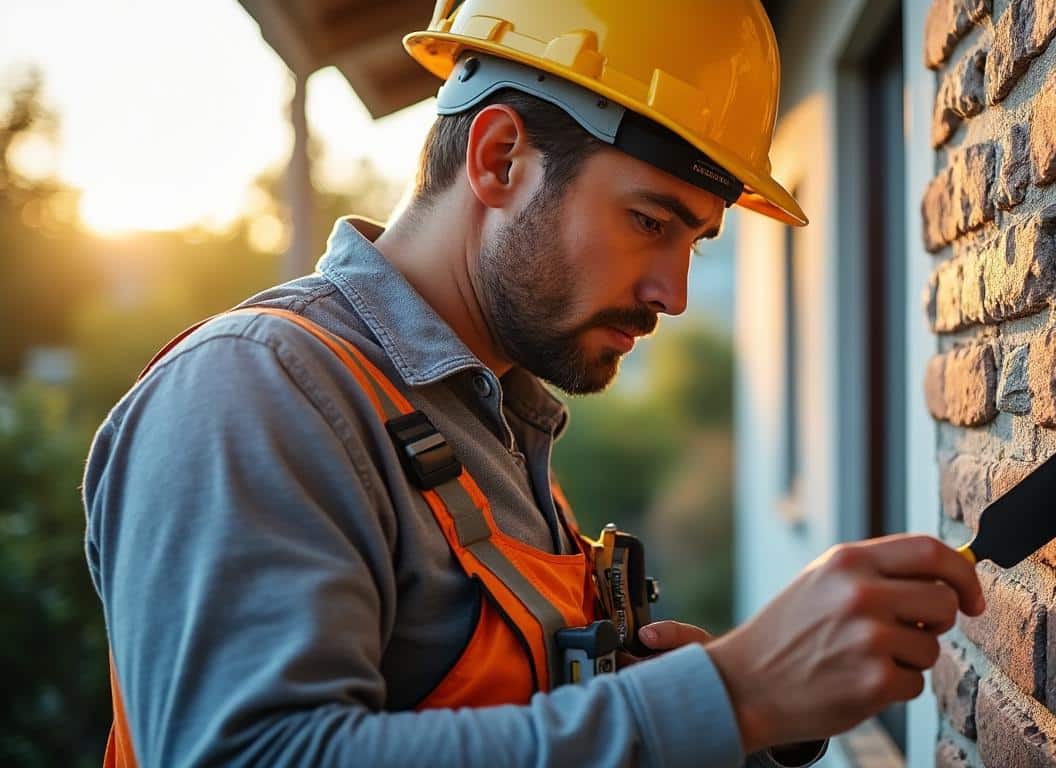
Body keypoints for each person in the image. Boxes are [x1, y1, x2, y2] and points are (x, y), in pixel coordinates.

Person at [82, 1, 986, 765]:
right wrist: (726, 695)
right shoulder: (257, 391)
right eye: (648, 221)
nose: (671, 292)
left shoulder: (491, 421)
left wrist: (737, 711)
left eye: (696, 243)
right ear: (500, 158)